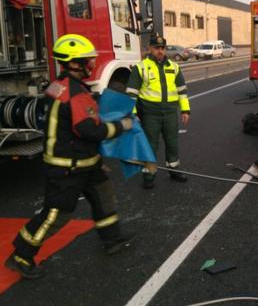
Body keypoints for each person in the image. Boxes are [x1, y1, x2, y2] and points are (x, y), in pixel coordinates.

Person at [5, 34, 135, 279]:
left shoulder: (59, 85)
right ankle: (21, 256)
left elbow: (70, 124)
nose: (91, 64)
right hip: (67, 168)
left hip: (83, 162)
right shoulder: (75, 93)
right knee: (56, 215)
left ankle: (112, 239)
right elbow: (90, 130)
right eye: (87, 60)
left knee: (103, 194)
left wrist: (97, 161)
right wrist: (123, 125)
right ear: (74, 63)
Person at [126, 35, 191, 189]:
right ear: (150, 48)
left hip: (170, 113)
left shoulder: (174, 67)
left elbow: (182, 91)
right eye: (156, 48)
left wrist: (185, 110)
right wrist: (133, 114)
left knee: (172, 144)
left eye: (162, 48)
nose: (160, 51)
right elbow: (131, 94)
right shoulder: (141, 67)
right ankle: (149, 176)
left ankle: (174, 170)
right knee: (150, 146)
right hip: (150, 114)